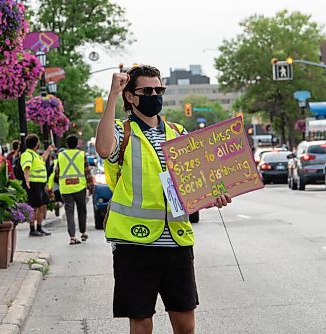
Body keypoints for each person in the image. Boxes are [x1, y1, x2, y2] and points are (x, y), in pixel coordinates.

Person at [95, 65, 232, 334]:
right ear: (131, 97)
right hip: (134, 245)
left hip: (176, 243)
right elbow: (102, 148)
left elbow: (194, 182)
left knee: (185, 326)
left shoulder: (179, 134)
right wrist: (112, 94)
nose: (155, 94)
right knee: (142, 324)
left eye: (159, 90)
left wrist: (213, 195)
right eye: (147, 90)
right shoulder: (123, 134)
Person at [54, 135, 94, 245]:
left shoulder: (61, 155)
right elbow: (87, 172)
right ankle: (83, 232)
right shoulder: (81, 155)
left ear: (66, 144)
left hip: (66, 189)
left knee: (69, 213)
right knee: (82, 210)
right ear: (77, 144)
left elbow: (57, 172)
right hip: (79, 187)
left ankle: (72, 236)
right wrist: (91, 186)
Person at [21, 134, 54, 237]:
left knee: (43, 205)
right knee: (34, 207)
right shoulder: (27, 154)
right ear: (36, 143)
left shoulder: (34, 155)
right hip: (33, 184)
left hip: (40, 184)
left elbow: (42, 159)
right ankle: (32, 229)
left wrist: (48, 150)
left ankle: (39, 227)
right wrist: (27, 181)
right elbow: (27, 167)